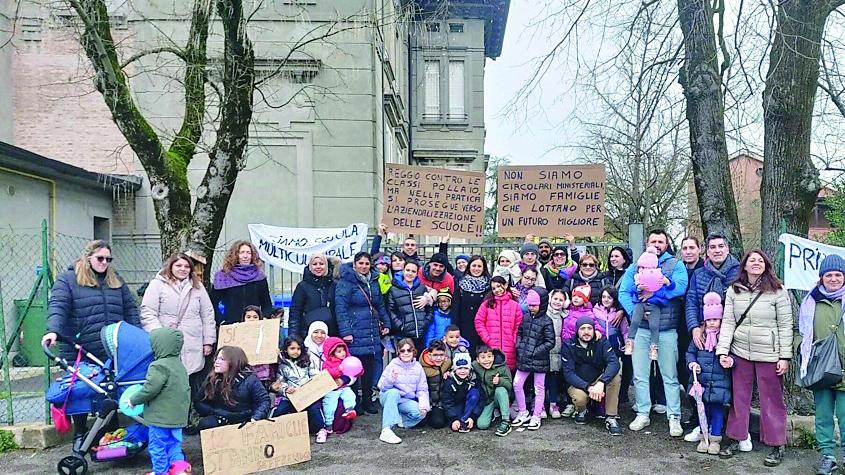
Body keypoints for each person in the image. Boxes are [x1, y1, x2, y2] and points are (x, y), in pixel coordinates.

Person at [43, 239, 140, 450]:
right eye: (100, 258)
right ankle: (80, 433)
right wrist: (53, 331)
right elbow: (58, 306)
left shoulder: (115, 280)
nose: (104, 263)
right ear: (88, 257)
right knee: (80, 392)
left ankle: (110, 432)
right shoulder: (69, 280)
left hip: (110, 347)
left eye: (108, 259)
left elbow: (130, 309)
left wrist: (136, 335)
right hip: (79, 346)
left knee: (110, 390)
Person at [716, 249, 791, 466]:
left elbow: (786, 326)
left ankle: (777, 444)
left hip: (769, 354)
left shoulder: (778, 291)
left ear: (766, 265)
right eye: (752, 260)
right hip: (741, 353)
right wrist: (723, 350)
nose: (756, 263)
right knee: (739, 399)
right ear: (745, 266)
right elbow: (728, 322)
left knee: (771, 401)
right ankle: (735, 438)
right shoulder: (734, 290)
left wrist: (784, 357)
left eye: (760, 261)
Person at [619, 229, 688, 437]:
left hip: (666, 329)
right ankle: (643, 412)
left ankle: (674, 416)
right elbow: (624, 291)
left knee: (670, 375)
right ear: (647, 243)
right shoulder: (635, 265)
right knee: (640, 375)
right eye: (653, 241)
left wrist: (658, 291)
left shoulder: (675, 265)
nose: (657, 244)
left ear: (666, 245)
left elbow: (680, 288)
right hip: (641, 329)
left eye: (661, 241)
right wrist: (636, 313)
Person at [683, 234, 739, 437]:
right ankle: (702, 424)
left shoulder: (738, 272)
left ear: (727, 249)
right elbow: (691, 302)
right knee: (703, 379)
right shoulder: (699, 274)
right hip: (704, 332)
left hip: (729, 334)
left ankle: (734, 429)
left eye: (721, 246)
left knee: (729, 382)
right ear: (707, 251)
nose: (717, 250)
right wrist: (694, 328)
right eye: (713, 247)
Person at [140, 252, 216, 401]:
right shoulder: (157, 285)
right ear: (171, 266)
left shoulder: (197, 287)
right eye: (179, 265)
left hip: (192, 341)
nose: (183, 269)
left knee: (191, 383)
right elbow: (148, 312)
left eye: (186, 266)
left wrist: (208, 341)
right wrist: (160, 336)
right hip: (167, 342)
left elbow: (207, 314)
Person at [796, 254, 845, 475]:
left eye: (838, 274)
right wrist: (801, 346)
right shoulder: (811, 301)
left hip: (844, 367)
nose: (833, 279)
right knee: (823, 416)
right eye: (828, 275)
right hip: (820, 369)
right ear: (821, 277)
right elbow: (800, 331)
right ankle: (827, 456)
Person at [126, 328, 191, 475]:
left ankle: (160, 472)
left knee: (158, 447)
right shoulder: (179, 365)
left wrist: (134, 400)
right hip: (177, 418)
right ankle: (180, 470)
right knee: (174, 445)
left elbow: (150, 389)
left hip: (160, 419)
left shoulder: (158, 366)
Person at [335, 252, 391, 414]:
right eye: (360, 263)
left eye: (367, 263)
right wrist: (346, 331)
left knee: (369, 367)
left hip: (371, 329)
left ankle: (367, 400)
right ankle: (355, 401)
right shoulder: (345, 282)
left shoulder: (374, 280)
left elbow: (380, 305)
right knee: (353, 368)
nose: (364, 266)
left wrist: (386, 323)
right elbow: (340, 308)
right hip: (355, 329)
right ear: (354, 264)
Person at [685, 292, 731, 455]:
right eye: (709, 319)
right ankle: (703, 437)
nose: (712, 323)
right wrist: (692, 363)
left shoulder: (725, 338)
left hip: (719, 383)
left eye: (715, 319)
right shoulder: (700, 336)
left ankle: (715, 439)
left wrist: (729, 361)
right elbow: (690, 352)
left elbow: (733, 355)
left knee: (717, 410)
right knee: (702, 410)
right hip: (702, 381)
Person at [561, 317, 623, 436]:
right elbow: (569, 374)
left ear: (594, 330)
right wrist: (588, 388)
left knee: (615, 377)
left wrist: (601, 383)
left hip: (598, 380)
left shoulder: (602, 342)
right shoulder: (569, 345)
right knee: (580, 398)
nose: (586, 332)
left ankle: (611, 417)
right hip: (578, 384)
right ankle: (582, 410)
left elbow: (614, 363)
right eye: (582, 329)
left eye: (589, 328)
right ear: (577, 331)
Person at [194, 346, 271, 430]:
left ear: (234, 362)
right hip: (220, 417)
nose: (216, 362)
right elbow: (199, 401)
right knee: (206, 424)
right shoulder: (212, 378)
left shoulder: (250, 380)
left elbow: (264, 401)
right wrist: (217, 412)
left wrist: (255, 417)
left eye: (222, 359)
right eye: (217, 358)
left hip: (244, 419)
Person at [511, 290, 555, 430]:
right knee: (517, 384)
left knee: (539, 388)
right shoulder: (526, 317)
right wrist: (519, 345)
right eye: (530, 305)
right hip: (524, 357)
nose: (531, 308)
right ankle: (523, 412)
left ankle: (536, 415)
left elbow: (550, 342)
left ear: (542, 304)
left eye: (534, 305)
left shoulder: (547, 321)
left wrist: (534, 352)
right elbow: (520, 332)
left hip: (539, 360)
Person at [272, 336, 327, 442]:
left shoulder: (307, 360)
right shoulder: (282, 364)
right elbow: (280, 381)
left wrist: (311, 386)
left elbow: (314, 374)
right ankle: (279, 433)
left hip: (307, 394)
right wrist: (286, 389)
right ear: (286, 349)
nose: (296, 351)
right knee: (279, 412)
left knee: (314, 410)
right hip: (291, 396)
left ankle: (320, 429)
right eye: (292, 348)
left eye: (298, 348)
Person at [377, 339, 430, 444]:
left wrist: (424, 405)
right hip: (388, 397)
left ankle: (399, 419)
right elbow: (381, 386)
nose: (406, 353)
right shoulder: (393, 364)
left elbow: (422, 389)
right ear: (398, 352)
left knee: (421, 413)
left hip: (405, 401)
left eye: (409, 350)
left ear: (413, 351)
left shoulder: (418, 367)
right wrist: (391, 380)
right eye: (402, 350)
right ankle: (386, 430)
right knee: (394, 393)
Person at [211, 240, 272, 325]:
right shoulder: (223, 277)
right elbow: (213, 303)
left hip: (254, 324)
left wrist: (264, 318)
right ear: (235, 255)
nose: (245, 256)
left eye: (248, 253)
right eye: (241, 252)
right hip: (231, 325)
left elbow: (266, 302)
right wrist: (221, 320)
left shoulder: (259, 276)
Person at [624, 247, 666, 360]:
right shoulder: (637, 278)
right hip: (639, 304)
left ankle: (654, 347)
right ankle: (630, 341)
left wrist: (652, 295)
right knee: (634, 321)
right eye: (640, 267)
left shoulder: (659, 278)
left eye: (644, 267)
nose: (641, 269)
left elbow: (664, 294)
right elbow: (631, 290)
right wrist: (638, 288)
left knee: (654, 325)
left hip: (654, 306)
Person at [474, 276, 523, 371]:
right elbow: (479, 322)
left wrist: (514, 339)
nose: (496, 290)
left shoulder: (515, 305)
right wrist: (487, 338)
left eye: (498, 286)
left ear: (505, 285)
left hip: (510, 346)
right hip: (491, 346)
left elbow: (519, 325)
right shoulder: (487, 304)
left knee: (508, 373)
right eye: (493, 288)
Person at [288, 254, 340, 339]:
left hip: (332, 334)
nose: (318, 267)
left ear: (326, 266)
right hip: (308, 334)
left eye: (321, 264)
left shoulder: (335, 285)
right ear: (310, 266)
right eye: (315, 264)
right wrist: (293, 336)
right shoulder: (302, 286)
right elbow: (295, 313)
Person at [387, 260, 432, 350]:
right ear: (403, 270)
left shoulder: (421, 288)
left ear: (417, 274)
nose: (410, 273)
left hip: (421, 333)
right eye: (408, 270)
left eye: (413, 271)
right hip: (403, 335)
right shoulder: (393, 289)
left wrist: (425, 322)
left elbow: (429, 308)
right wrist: (401, 325)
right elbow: (390, 310)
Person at [321, 337, 361, 433]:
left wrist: (359, 370)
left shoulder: (348, 360)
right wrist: (338, 369)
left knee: (351, 396)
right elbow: (327, 373)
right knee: (330, 405)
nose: (343, 353)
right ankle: (328, 423)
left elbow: (356, 370)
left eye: (343, 350)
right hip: (332, 389)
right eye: (339, 351)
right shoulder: (328, 363)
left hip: (344, 387)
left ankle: (349, 410)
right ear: (332, 353)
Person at [472, 345, 513, 436]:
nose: (487, 360)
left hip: (499, 398)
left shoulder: (502, 368)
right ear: (478, 360)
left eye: (489, 356)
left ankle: (506, 421)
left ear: (493, 357)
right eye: (483, 357)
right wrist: (450, 371)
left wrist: (500, 381)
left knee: (500, 390)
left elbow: (509, 386)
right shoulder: (476, 365)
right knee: (482, 425)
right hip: (488, 400)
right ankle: (493, 414)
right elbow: (465, 366)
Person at [453, 255, 490, 354]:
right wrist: (455, 327)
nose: (476, 269)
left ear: (484, 268)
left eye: (479, 266)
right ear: (469, 267)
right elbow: (455, 308)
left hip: (484, 327)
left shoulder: (489, 285)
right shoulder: (461, 284)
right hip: (466, 325)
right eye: (474, 266)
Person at [441, 352, 482, 433]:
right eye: (459, 368)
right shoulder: (449, 381)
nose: (463, 371)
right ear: (454, 369)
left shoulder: (474, 379)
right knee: (455, 421)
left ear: (470, 369)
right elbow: (447, 402)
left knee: (475, 393)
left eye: (466, 368)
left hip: (470, 406)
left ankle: (464, 420)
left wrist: (473, 417)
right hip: (457, 405)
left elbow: (481, 400)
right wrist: (453, 419)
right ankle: (460, 420)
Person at [545, 289, 569, 419]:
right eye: (555, 299)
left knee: (554, 378)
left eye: (561, 300)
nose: (557, 302)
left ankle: (553, 404)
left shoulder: (565, 315)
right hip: (544, 351)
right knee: (542, 380)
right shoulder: (544, 313)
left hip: (558, 351)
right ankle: (541, 405)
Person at [419, 339, 451, 429]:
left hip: (442, 402)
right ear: (429, 355)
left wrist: (450, 372)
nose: (438, 358)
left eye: (441, 355)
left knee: (442, 422)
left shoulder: (448, 362)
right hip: (429, 402)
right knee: (430, 422)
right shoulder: (421, 367)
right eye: (435, 355)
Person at [241, 306, 274, 386]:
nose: (252, 319)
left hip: (261, 374)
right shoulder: (238, 333)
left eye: (255, 317)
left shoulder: (266, 332)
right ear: (244, 318)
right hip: (243, 372)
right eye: (248, 317)